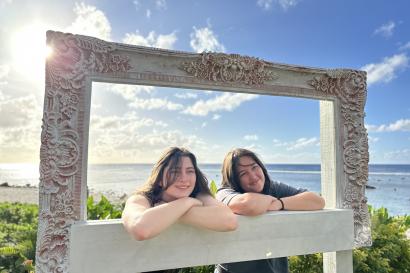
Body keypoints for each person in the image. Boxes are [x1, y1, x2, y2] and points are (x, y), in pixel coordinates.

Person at [215, 148, 325, 273]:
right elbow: (248, 204)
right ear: (234, 180)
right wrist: (269, 200)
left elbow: (317, 201)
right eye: (243, 174)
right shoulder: (224, 193)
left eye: (254, 167)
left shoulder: (272, 187)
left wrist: (280, 203)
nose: (253, 176)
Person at [122, 146, 238, 242]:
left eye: (190, 171)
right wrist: (187, 202)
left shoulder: (198, 195)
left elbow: (230, 221)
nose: (184, 178)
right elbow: (141, 229)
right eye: (175, 171)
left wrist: (177, 209)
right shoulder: (141, 198)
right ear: (160, 177)